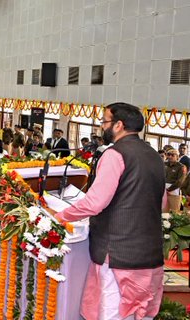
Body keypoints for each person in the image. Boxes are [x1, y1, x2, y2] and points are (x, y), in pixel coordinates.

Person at [54, 103, 164, 320]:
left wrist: (58, 217)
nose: (101, 126)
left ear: (118, 125)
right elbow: (162, 204)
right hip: (149, 254)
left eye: (104, 121)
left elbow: (95, 203)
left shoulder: (115, 154)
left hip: (117, 255)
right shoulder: (154, 156)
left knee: (112, 313)